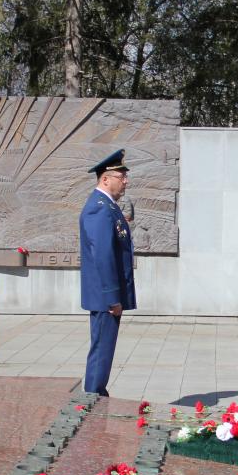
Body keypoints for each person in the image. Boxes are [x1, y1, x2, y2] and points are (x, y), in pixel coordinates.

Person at [79, 149, 136, 397]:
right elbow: (102, 255)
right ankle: (92, 398)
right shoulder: (99, 208)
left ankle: (96, 394)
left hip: (107, 295)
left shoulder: (107, 207)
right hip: (105, 297)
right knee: (102, 348)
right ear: (105, 179)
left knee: (104, 348)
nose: (126, 180)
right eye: (121, 175)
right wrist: (113, 297)